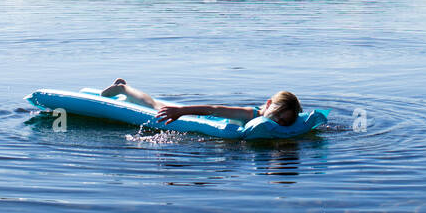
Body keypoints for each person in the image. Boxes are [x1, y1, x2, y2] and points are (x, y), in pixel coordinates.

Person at [100, 78, 301, 126]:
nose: (277, 123)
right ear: (267, 105)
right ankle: (122, 87)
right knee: (153, 105)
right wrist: (179, 111)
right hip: (194, 115)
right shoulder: (248, 114)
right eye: (276, 116)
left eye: (283, 121)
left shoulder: (282, 125)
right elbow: (212, 109)